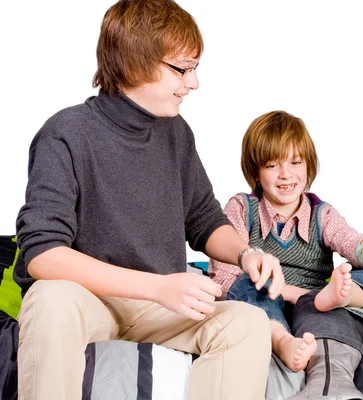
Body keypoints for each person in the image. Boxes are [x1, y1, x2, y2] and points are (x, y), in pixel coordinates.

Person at [14, 1, 285, 399]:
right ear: (133, 64)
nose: (193, 83)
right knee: (50, 298)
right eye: (182, 68)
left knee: (248, 322)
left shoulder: (177, 133)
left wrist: (247, 254)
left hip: (159, 308)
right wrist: (157, 287)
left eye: (195, 68)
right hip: (90, 301)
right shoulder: (65, 134)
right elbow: (42, 254)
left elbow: (204, 220)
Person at [210, 110, 363, 399]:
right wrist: (291, 293)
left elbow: (353, 243)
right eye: (273, 165)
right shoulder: (241, 208)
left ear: (309, 166)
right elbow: (224, 277)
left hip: (319, 307)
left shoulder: (320, 214)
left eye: (296, 162)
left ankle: (343, 296)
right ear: (256, 172)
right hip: (275, 307)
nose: (286, 174)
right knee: (245, 283)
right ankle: (283, 341)